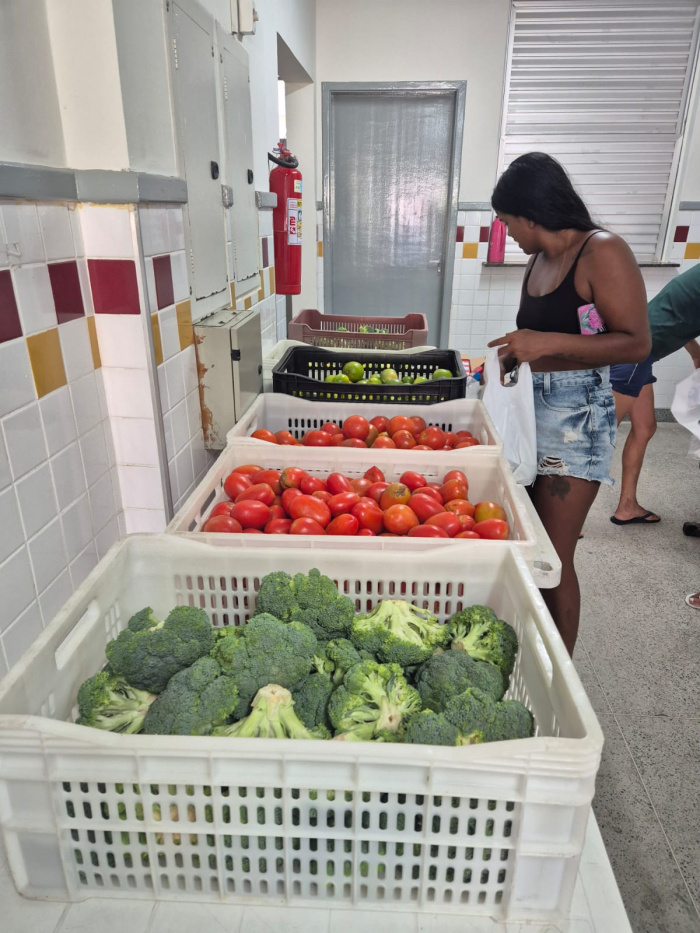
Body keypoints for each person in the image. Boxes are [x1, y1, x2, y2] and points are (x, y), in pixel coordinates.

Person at [487, 152, 651, 656]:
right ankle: (527, 652)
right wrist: (517, 354)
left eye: (510, 222)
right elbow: (542, 337)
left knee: (552, 558)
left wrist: (543, 344)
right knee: (522, 539)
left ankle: (559, 676)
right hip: (527, 413)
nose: (508, 232)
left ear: (532, 213)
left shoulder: (602, 251)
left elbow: (636, 342)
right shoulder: (537, 260)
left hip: (574, 418)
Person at [608, 261, 700, 525]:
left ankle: (627, 506)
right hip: (633, 353)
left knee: (645, 427)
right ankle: (565, 518)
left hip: (641, 353)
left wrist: (694, 352)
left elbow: (675, 313)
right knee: (599, 436)